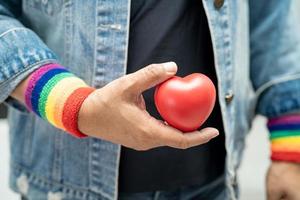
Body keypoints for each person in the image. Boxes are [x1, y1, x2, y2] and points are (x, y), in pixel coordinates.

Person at [0, 0, 300, 200]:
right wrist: (73, 105)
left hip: (214, 183)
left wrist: (291, 144)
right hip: (67, 185)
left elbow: (271, 12)